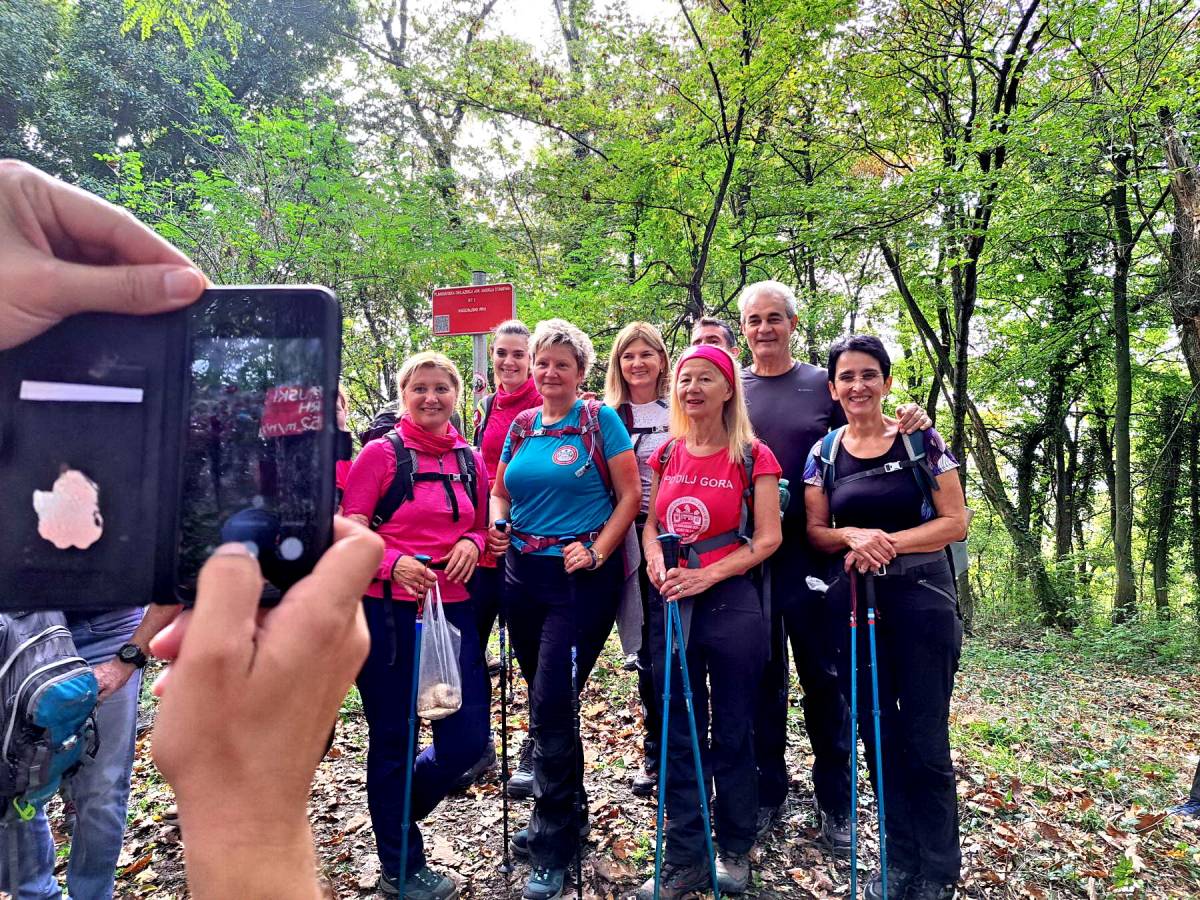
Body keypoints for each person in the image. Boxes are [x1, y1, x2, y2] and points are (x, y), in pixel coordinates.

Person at [0, 159, 376, 900]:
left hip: (114, 624)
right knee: (22, 775)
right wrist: (251, 823)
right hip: (29, 621)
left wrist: (130, 657)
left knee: (99, 791)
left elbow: (177, 567)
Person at [738, 280, 929, 851]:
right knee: (761, 680)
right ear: (743, 328)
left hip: (816, 555)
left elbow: (870, 423)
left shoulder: (820, 385)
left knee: (827, 679)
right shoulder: (732, 390)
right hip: (747, 558)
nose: (765, 329)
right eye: (754, 320)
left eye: (775, 318)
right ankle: (767, 792)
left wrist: (913, 417)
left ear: (793, 324)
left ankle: (836, 802)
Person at [804, 334, 967, 900]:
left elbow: (955, 522)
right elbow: (816, 530)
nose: (857, 385)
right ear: (832, 388)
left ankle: (940, 868)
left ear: (886, 381)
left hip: (923, 600)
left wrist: (885, 542)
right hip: (857, 608)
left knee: (924, 736)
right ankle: (898, 861)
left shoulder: (922, 439)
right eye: (846, 377)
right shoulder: (823, 454)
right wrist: (853, 535)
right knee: (878, 734)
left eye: (869, 374)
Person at [487, 318, 640, 900]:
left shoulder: (599, 421)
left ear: (580, 372)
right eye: (542, 364)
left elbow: (629, 495)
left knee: (551, 701)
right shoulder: (523, 424)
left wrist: (598, 550)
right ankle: (568, 815)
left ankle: (551, 842)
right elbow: (502, 488)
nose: (549, 373)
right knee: (547, 697)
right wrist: (497, 524)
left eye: (561, 365)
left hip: (579, 581)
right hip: (520, 575)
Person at [340, 352, 491, 899]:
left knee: (466, 740)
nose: (431, 398)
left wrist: (472, 544)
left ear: (457, 395)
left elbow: (480, 526)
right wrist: (390, 563)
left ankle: (398, 809)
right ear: (404, 395)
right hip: (388, 613)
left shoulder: (469, 458)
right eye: (419, 389)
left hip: (452, 611)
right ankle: (400, 863)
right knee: (394, 737)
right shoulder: (380, 456)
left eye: (441, 389)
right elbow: (349, 529)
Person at [636, 344, 783, 898]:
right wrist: (654, 559)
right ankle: (685, 856)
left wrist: (708, 575)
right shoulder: (668, 452)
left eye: (705, 379)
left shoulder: (752, 455)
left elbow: (768, 539)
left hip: (731, 605)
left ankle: (736, 849)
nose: (692, 388)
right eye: (685, 380)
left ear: (728, 390)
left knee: (734, 729)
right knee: (677, 727)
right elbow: (652, 524)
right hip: (673, 601)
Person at [466, 319, 542, 796]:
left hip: (530, 547)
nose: (510, 362)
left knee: (536, 655)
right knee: (468, 647)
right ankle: (473, 744)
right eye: (502, 354)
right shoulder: (489, 406)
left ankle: (539, 744)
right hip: (485, 545)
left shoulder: (545, 404)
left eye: (519, 354)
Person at [603, 322, 673, 797]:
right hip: (626, 536)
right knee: (648, 651)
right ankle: (657, 753)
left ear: (662, 360)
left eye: (647, 354)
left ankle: (689, 748)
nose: (638, 363)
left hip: (679, 534)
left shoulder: (680, 411)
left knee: (680, 647)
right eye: (629, 356)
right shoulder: (607, 415)